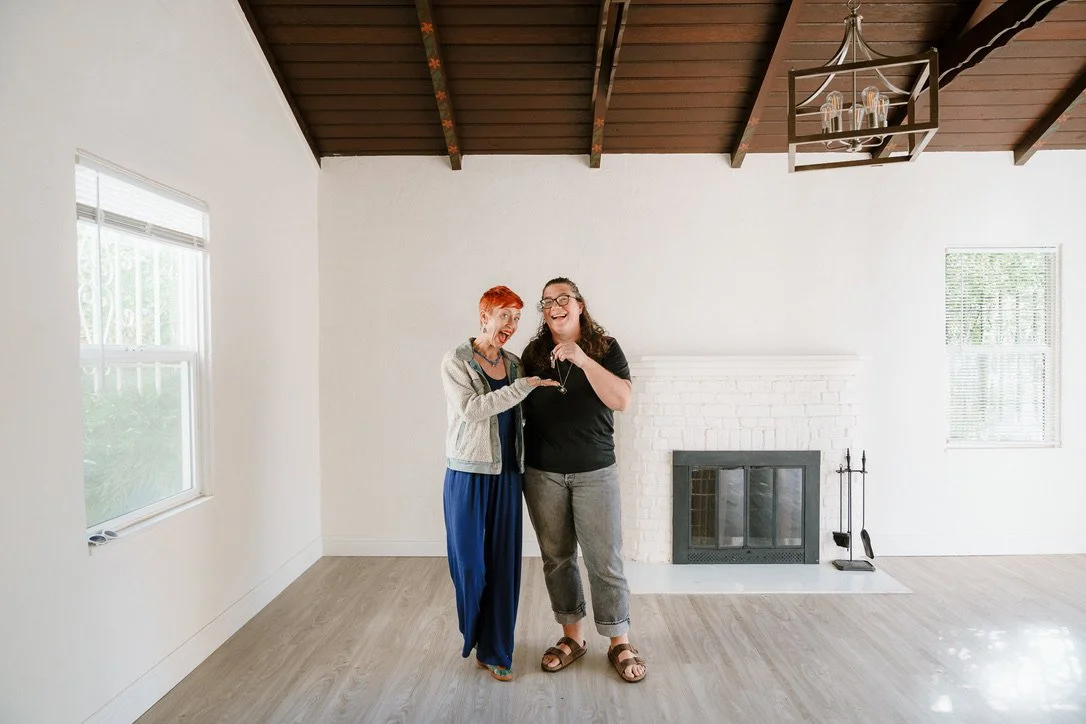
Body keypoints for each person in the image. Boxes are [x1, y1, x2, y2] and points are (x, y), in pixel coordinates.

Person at [520, 277, 647, 683]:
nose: (554, 306)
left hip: (596, 472)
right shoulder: (533, 353)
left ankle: (618, 641)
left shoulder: (605, 348)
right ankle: (572, 637)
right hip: (542, 474)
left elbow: (622, 400)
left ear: (579, 304)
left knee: (604, 560)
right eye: (546, 302)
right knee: (557, 560)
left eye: (562, 299)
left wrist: (582, 359)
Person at [440, 285, 558, 682]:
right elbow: (473, 410)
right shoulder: (456, 361)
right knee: (471, 566)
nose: (511, 325)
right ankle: (474, 634)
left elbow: (522, 414)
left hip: (508, 475)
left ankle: (497, 650)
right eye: (504, 315)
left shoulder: (513, 363)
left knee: (504, 566)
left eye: (517, 318)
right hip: (468, 474)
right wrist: (524, 387)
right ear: (484, 316)